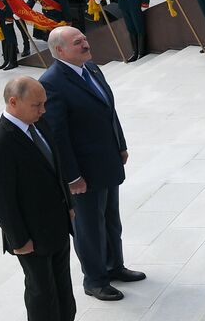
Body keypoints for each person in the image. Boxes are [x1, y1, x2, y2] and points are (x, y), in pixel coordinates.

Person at [0, 76, 98, 321]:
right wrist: (19, 240)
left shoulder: (38, 124)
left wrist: (68, 206)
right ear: (13, 102)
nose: (43, 110)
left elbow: (55, 169)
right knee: (40, 287)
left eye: (44, 103)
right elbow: (0, 199)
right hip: (30, 234)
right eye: (37, 105)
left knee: (60, 280)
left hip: (56, 222)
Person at [39, 26, 146, 301]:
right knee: (89, 229)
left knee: (111, 220)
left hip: (107, 161)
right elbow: (58, 137)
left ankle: (114, 266)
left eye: (84, 39)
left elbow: (109, 110)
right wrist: (72, 177)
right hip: (83, 172)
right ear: (60, 51)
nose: (85, 44)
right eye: (78, 42)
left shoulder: (92, 69)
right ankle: (95, 280)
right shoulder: (52, 82)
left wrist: (120, 144)